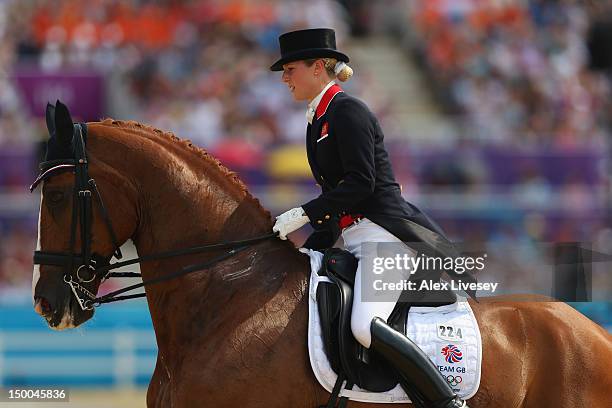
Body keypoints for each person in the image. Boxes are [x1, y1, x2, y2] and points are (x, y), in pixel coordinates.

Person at [270, 28, 468, 408]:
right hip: (355, 238)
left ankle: (447, 402)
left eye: (290, 69)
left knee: (364, 326)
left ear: (317, 68)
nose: (284, 78)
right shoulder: (317, 121)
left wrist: (301, 214)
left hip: (387, 235)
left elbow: (362, 184)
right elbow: (334, 196)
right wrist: (306, 244)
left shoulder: (348, 111)